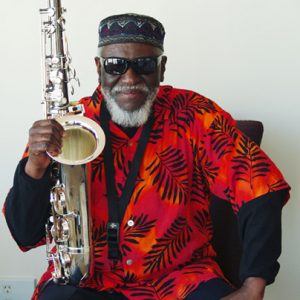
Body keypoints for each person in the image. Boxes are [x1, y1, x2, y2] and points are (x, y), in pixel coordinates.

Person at [3, 13, 290, 300]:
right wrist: (35, 167)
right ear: (98, 67)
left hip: (181, 278)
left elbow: (261, 188)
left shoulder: (196, 115)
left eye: (144, 65)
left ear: (162, 68)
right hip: (88, 281)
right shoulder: (66, 125)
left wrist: (254, 286)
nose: (129, 78)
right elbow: (24, 234)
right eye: (115, 65)